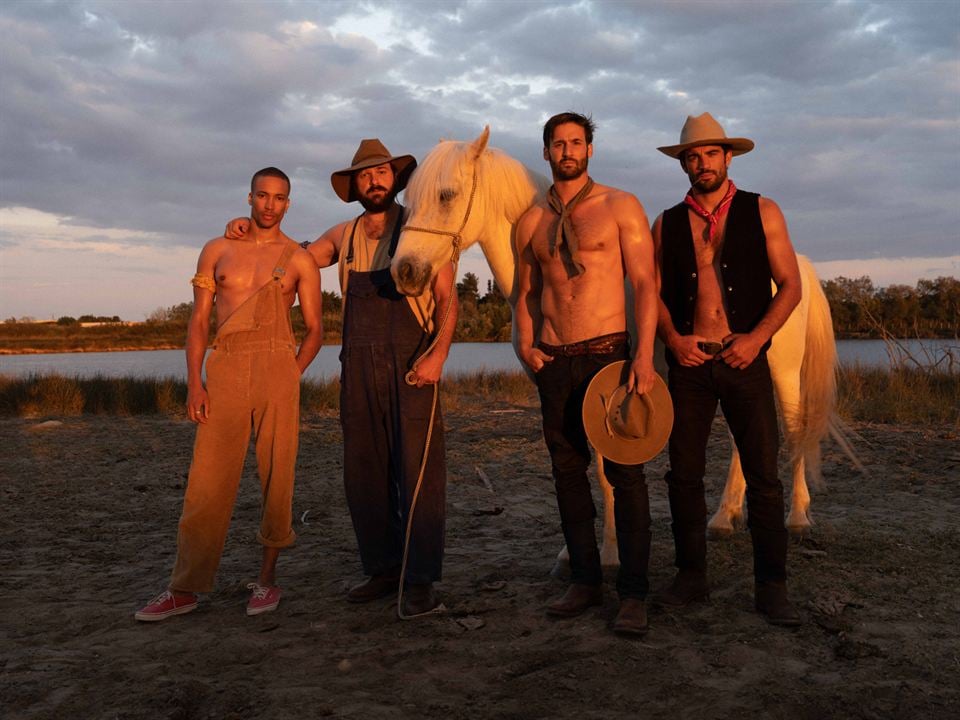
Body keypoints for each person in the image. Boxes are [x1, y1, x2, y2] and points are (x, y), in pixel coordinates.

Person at [225, 140, 457, 618]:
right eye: (365, 175)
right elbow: (295, 258)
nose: (374, 180)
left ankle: (420, 581)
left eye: (382, 173)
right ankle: (383, 569)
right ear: (354, 186)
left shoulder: (421, 228)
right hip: (357, 369)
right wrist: (250, 234)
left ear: (395, 179)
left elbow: (449, 300)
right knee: (364, 475)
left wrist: (436, 358)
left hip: (414, 364)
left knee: (419, 475)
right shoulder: (343, 234)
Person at [135, 167, 323, 622]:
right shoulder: (217, 250)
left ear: (288, 204)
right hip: (225, 368)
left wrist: (288, 375)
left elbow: (316, 331)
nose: (269, 205)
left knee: (278, 477)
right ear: (249, 198)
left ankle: (268, 581)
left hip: (278, 370)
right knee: (207, 481)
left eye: (279, 198)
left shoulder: (300, 259)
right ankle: (185, 588)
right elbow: (199, 322)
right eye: (262, 195)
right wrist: (195, 382)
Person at [652, 112, 803, 626]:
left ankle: (771, 586)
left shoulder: (764, 210)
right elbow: (650, 293)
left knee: (763, 477)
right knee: (684, 477)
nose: (701, 163)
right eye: (691, 156)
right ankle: (691, 575)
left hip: (744, 360)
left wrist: (757, 339)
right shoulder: (668, 222)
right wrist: (673, 339)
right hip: (690, 366)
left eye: (710, 154)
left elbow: (791, 285)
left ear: (727, 157)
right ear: (684, 164)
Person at [514, 112, 659, 636]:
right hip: (555, 358)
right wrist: (525, 345)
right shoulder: (530, 221)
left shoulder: (620, 206)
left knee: (625, 471)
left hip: (608, 354)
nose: (568, 151)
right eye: (559, 144)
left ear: (590, 150)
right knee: (567, 471)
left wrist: (642, 356)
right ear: (546, 152)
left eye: (577, 143)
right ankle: (584, 578)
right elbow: (525, 293)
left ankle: (635, 593)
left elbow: (645, 284)